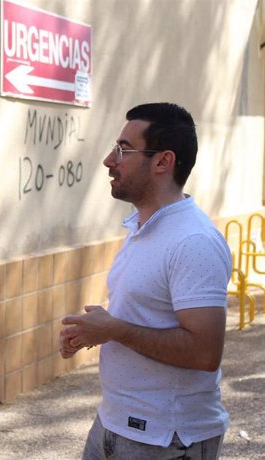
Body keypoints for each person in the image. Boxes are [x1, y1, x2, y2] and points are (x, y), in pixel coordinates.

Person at [59, 103, 231, 459]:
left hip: (167, 441)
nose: (109, 159)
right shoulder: (142, 227)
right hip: (113, 424)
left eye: (123, 149)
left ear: (163, 162)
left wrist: (114, 329)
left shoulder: (193, 241)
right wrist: (95, 328)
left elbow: (204, 352)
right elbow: (144, 316)